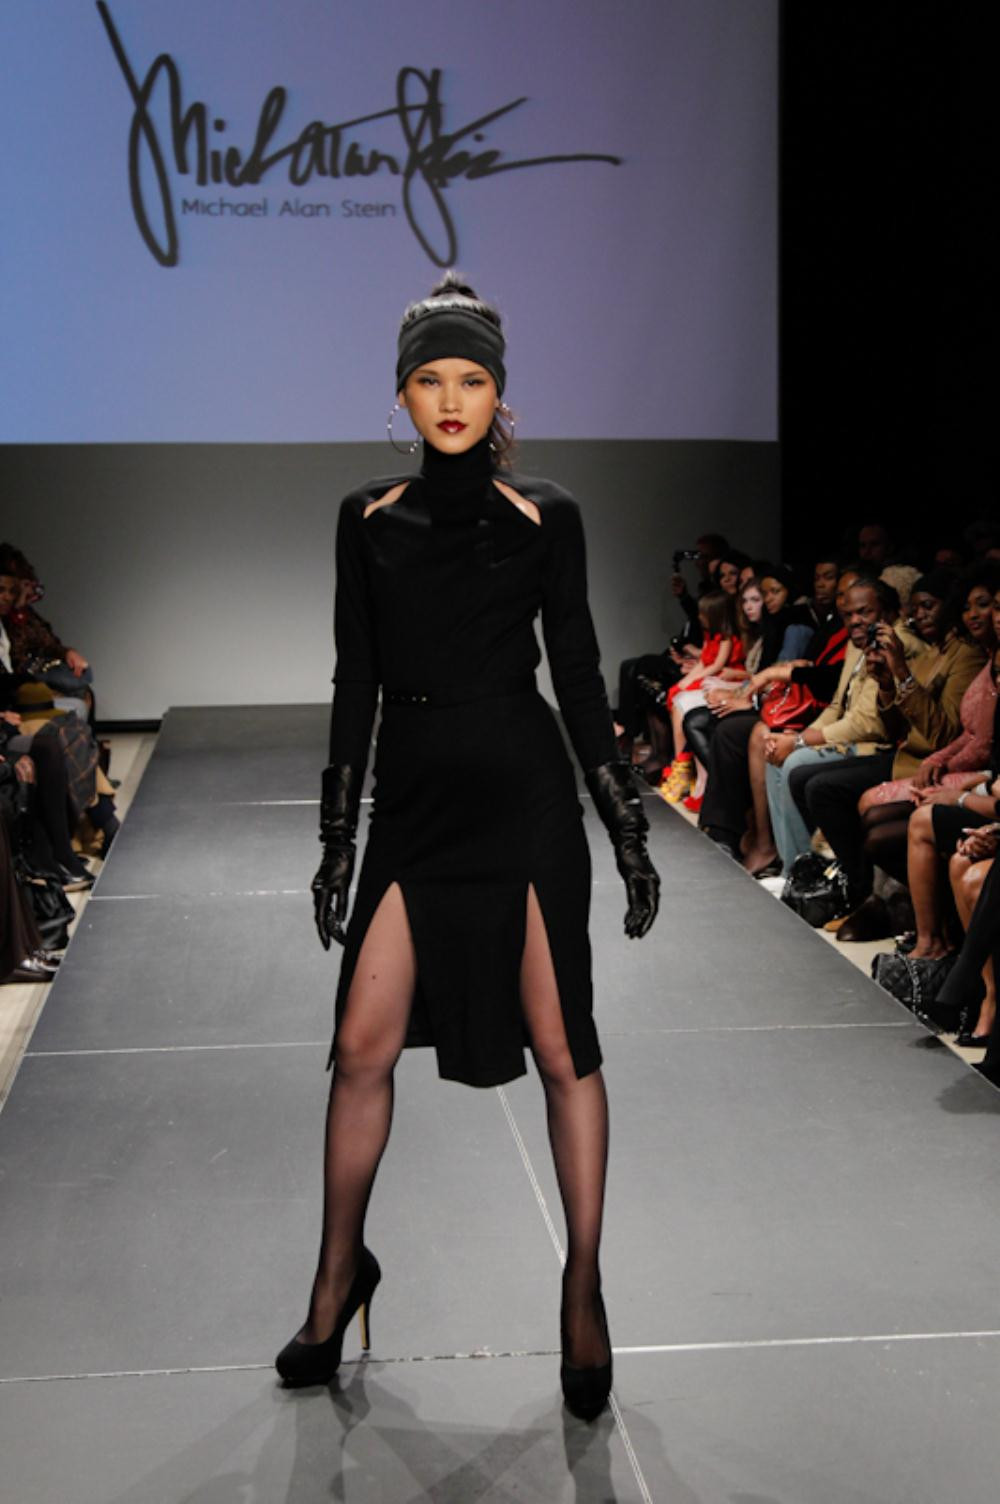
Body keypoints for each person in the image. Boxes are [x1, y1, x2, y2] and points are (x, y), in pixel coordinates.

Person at [274, 276, 660, 1421]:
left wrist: (625, 824)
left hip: (527, 802)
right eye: (431, 379)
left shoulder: (547, 514)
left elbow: (578, 676)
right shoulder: (366, 517)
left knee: (563, 1047)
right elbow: (354, 678)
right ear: (402, 394)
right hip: (414, 808)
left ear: (499, 394)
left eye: (472, 379)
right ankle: (337, 1279)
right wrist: (337, 837)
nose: (451, 399)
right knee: (359, 1047)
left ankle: (582, 1288)